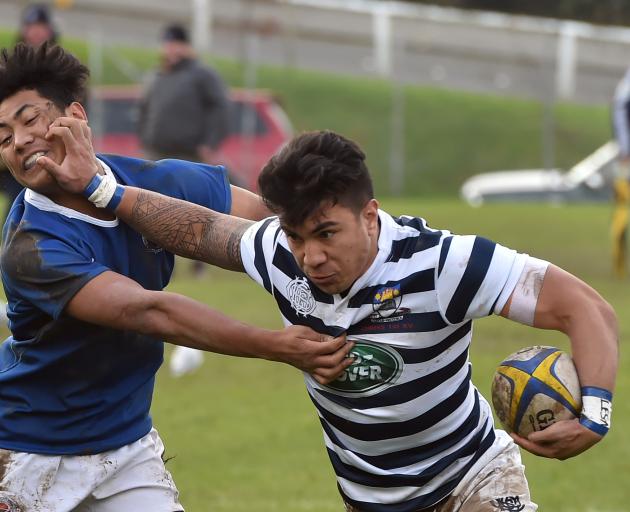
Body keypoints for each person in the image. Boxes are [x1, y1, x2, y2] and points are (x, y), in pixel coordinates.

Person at [44, 124, 618, 510]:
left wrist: (595, 413)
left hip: (473, 476)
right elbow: (200, 231)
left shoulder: (444, 263)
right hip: (367, 498)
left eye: (326, 233)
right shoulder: (279, 254)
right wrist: (99, 188)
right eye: (296, 235)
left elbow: (584, 306)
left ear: (369, 216)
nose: (310, 256)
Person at [0, 43, 354, 511]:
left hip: (125, 445)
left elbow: (266, 224)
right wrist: (277, 345)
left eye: (30, 120)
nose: (20, 141)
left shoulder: (150, 180)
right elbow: (147, 310)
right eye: (3, 137)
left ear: (76, 116)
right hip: (29, 453)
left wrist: (355, 245)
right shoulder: (31, 247)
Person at [611, 69, 630, 277]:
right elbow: (620, 112)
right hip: (627, 158)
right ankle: (619, 261)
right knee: (623, 209)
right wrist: (625, 150)